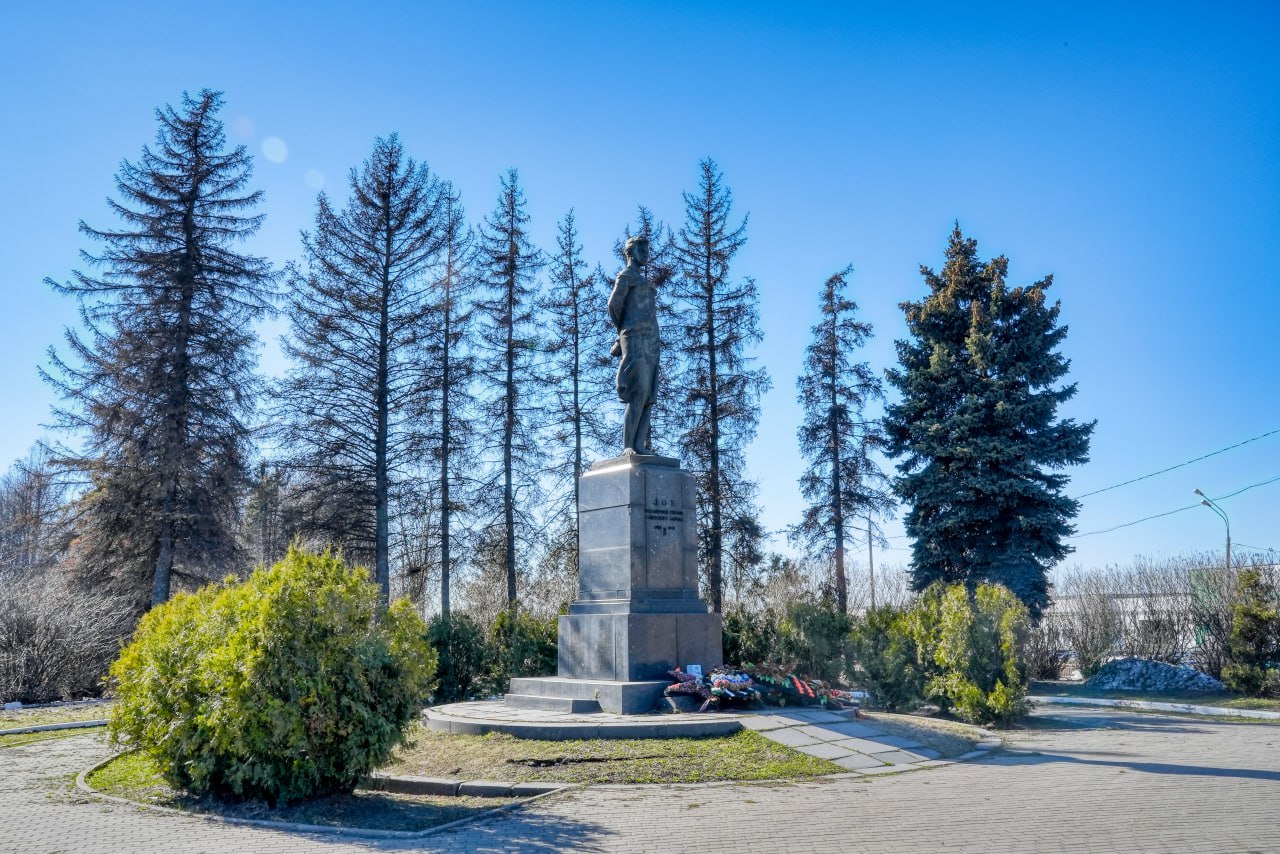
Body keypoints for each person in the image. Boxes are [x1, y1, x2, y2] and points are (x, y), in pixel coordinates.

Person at [608, 236, 658, 454]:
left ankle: (639, 444)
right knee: (637, 392)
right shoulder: (626, 276)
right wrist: (623, 331)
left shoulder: (645, 282)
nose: (646, 254)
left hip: (652, 340)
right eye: (641, 249)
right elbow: (614, 305)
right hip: (634, 336)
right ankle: (628, 446)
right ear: (630, 252)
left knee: (648, 397)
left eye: (647, 250)